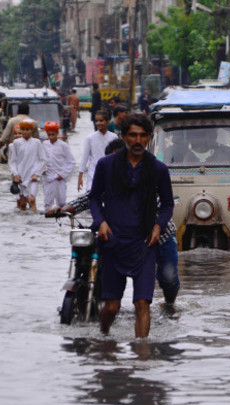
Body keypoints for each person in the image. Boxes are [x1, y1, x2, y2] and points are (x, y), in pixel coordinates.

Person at [60, 137, 181, 307]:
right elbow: (92, 197)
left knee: (168, 278)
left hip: (159, 235)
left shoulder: (148, 175)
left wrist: (155, 224)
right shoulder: (109, 176)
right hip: (124, 235)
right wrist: (65, 208)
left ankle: (169, 305)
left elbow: (164, 204)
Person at [89, 113, 174, 338]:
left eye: (143, 136)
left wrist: (158, 227)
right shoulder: (106, 165)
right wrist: (101, 222)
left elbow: (167, 205)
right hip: (113, 241)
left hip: (144, 243)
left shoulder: (158, 169)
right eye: (133, 135)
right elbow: (94, 198)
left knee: (142, 304)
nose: (138, 141)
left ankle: (141, 357)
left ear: (149, 137)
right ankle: (104, 339)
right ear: (124, 136)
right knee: (112, 306)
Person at [8, 119, 46, 211]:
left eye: (28, 129)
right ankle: (23, 223)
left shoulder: (37, 142)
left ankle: (34, 221)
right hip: (21, 176)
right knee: (23, 203)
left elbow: (43, 159)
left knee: (32, 200)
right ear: (20, 130)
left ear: (32, 130)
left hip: (33, 175)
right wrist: (16, 174)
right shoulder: (16, 144)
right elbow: (12, 161)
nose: (25, 132)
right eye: (23, 129)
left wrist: (37, 173)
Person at [78, 109, 117, 192]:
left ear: (108, 122)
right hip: (93, 173)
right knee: (92, 196)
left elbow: (117, 158)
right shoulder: (90, 138)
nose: (98, 123)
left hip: (109, 173)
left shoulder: (114, 137)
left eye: (101, 121)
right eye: (96, 121)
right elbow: (85, 158)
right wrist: (80, 177)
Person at [41, 122, 74, 211]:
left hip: (60, 177)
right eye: (49, 134)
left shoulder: (64, 146)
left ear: (57, 133)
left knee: (62, 202)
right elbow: (41, 160)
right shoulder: (44, 144)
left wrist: (62, 174)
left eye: (53, 134)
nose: (51, 136)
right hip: (48, 177)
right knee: (48, 203)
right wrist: (42, 170)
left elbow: (71, 162)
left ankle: (61, 222)